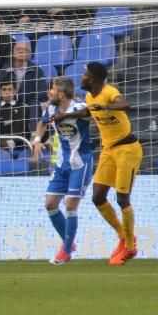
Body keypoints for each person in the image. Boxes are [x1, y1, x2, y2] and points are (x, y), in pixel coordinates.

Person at [53, 62, 143, 266]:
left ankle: (130, 246)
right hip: (108, 150)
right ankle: (123, 237)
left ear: (92, 77)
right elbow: (88, 112)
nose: (82, 77)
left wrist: (107, 106)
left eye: (85, 74)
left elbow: (124, 103)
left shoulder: (110, 92)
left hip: (127, 149)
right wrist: (64, 116)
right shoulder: (89, 96)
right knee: (98, 197)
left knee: (122, 198)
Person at [31, 77, 94, 265]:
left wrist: (65, 117)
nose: (49, 92)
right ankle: (69, 243)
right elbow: (42, 123)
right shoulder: (51, 108)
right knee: (50, 204)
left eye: (52, 89)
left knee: (70, 206)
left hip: (80, 164)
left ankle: (66, 250)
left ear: (61, 93)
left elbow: (92, 112)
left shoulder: (79, 108)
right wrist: (36, 141)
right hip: (61, 165)